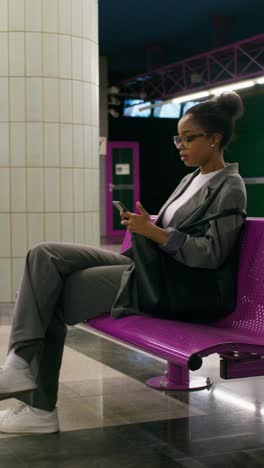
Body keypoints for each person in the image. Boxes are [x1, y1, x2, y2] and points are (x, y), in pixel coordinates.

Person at [0, 91, 247, 434]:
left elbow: (210, 254)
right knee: (44, 254)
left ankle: (40, 411)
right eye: (178, 137)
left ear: (215, 139)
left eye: (188, 138)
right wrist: (147, 226)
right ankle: (18, 362)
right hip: (146, 266)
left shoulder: (230, 187)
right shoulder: (190, 179)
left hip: (174, 286)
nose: (180, 145)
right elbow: (171, 231)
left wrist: (155, 233)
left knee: (50, 297)